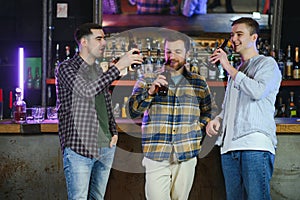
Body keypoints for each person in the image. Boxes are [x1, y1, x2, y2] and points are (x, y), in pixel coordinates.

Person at [55, 22, 143, 200]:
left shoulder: (97, 69)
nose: (103, 43)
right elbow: (86, 91)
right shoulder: (67, 68)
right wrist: (118, 67)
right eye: (99, 39)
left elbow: (104, 103)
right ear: (84, 42)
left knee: (98, 198)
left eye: (104, 38)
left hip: (106, 147)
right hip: (79, 148)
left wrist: (113, 130)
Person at [128, 31, 212, 200]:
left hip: (186, 154)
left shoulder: (198, 82)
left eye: (177, 52)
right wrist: (150, 92)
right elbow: (133, 111)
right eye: (168, 51)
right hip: (157, 153)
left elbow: (208, 111)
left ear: (187, 54)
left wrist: (197, 129)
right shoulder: (148, 79)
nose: (172, 56)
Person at [206, 17, 281, 199]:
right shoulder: (237, 71)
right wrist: (217, 120)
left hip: (254, 146)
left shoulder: (266, 64)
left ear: (254, 38)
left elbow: (258, 91)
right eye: (232, 35)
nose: (234, 39)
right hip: (229, 148)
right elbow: (229, 108)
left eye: (240, 34)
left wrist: (227, 66)